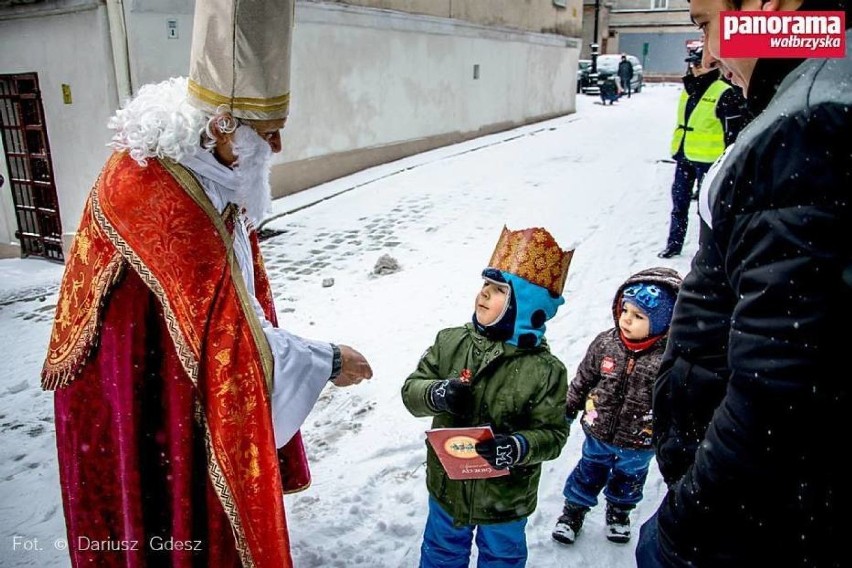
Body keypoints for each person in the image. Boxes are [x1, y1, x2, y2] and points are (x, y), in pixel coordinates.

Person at [40, 1, 373, 566]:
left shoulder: (209, 167)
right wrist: (328, 361)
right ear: (222, 124)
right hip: (142, 400)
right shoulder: (163, 195)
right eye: (268, 132)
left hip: (174, 383)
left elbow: (231, 302)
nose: (277, 148)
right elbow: (230, 345)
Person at [637, 0, 851, 566]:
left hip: (751, 526)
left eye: (708, 23)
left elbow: (781, 392)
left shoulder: (809, 125)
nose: (710, 53)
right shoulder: (817, 91)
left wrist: (687, 527)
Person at [401, 226, 573, 568]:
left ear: (525, 307)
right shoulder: (451, 342)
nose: (483, 295)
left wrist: (518, 447)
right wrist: (437, 394)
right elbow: (411, 391)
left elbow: (553, 436)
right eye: (484, 286)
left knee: (501, 558)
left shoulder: (546, 371)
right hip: (447, 486)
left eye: (498, 291)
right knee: (441, 552)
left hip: (505, 495)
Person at [552, 268, 681, 546]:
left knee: (630, 479)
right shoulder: (605, 343)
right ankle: (573, 512)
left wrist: (671, 433)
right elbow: (584, 377)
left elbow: (676, 400)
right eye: (625, 311)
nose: (627, 320)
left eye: (638, 317)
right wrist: (569, 406)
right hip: (598, 430)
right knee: (588, 471)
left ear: (662, 323)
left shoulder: (669, 358)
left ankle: (619, 513)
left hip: (641, 439)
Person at [657, 45, 746, 259]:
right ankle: (674, 244)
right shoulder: (688, 89)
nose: (695, 68)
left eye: (698, 63)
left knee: (707, 209)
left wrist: (728, 161)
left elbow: (732, 132)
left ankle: (708, 251)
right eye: (692, 64)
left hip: (709, 160)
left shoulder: (723, 92)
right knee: (679, 203)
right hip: (684, 156)